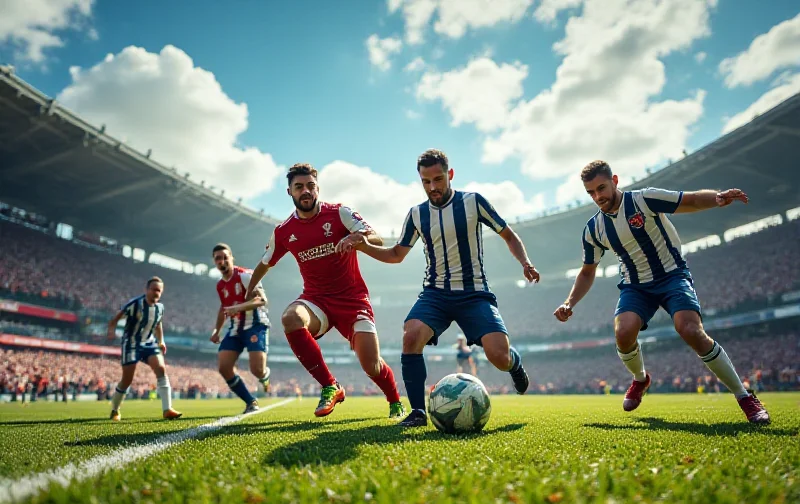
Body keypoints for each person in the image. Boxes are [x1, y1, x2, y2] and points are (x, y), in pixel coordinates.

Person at [553, 160, 770, 424]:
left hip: (671, 276)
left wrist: (717, 197)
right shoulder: (593, 229)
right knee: (623, 333)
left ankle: (745, 397)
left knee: (690, 330)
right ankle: (640, 380)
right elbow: (588, 271)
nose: (598, 196)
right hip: (636, 286)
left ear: (615, 181)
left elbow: (687, 200)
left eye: (601, 188)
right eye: (591, 193)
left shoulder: (644, 200)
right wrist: (569, 302)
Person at [339, 149, 540, 427]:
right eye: (426, 181)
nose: (433, 187)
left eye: (438, 179)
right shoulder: (417, 214)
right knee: (411, 336)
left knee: (498, 356)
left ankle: (514, 363)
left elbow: (508, 234)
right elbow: (396, 255)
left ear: (450, 175)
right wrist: (363, 246)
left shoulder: (473, 202)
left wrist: (525, 262)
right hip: (436, 294)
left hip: (475, 293)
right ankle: (418, 413)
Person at [244, 163, 405, 419]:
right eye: (299, 187)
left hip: (353, 300)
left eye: (310, 185)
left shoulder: (339, 213)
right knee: (290, 318)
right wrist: (249, 289)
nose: (305, 191)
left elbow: (376, 239)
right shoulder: (284, 231)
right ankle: (330, 385)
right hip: (316, 300)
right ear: (290, 192)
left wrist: (357, 240)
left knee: (371, 366)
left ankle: (395, 400)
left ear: (317, 188)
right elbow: (265, 263)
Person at [106, 277, 182, 421]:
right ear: (146, 290)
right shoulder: (135, 304)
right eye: (153, 289)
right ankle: (115, 410)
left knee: (161, 369)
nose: (156, 293)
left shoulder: (160, 308)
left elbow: (158, 324)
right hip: (131, 343)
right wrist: (111, 329)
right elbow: (117, 317)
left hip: (149, 342)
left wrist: (161, 341)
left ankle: (167, 409)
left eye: (159, 290)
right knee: (127, 379)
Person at [210, 243, 271, 414]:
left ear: (231, 258)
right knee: (224, 367)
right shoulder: (220, 285)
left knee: (256, 370)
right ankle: (250, 401)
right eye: (218, 259)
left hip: (256, 325)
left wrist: (238, 308)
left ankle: (265, 376)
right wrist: (216, 330)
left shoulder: (245, 276)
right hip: (236, 328)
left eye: (225, 257)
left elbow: (262, 300)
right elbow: (223, 308)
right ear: (215, 262)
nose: (222, 261)